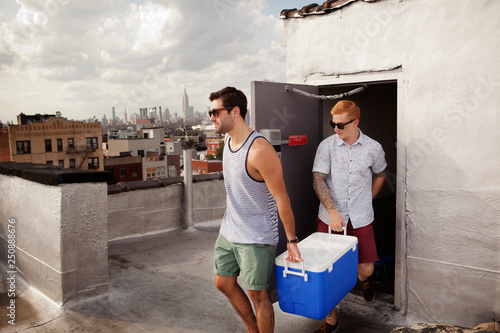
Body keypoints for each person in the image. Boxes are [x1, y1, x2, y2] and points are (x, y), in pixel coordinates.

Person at [209, 86, 302, 333]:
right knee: (223, 283)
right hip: (230, 228)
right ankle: (254, 330)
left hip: (256, 235)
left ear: (235, 111)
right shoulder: (228, 140)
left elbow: (282, 198)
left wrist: (291, 240)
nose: (212, 117)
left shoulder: (260, 150)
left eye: (215, 112)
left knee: (258, 295)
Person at [312, 100, 387, 333]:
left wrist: (368, 199)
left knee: (366, 269)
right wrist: (333, 212)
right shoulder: (327, 146)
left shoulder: (373, 148)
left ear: (356, 122)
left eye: (341, 125)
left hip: (361, 217)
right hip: (330, 218)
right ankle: (332, 322)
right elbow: (318, 179)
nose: (336, 130)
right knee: (324, 272)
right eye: (333, 124)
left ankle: (363, 279)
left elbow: (381, 174)